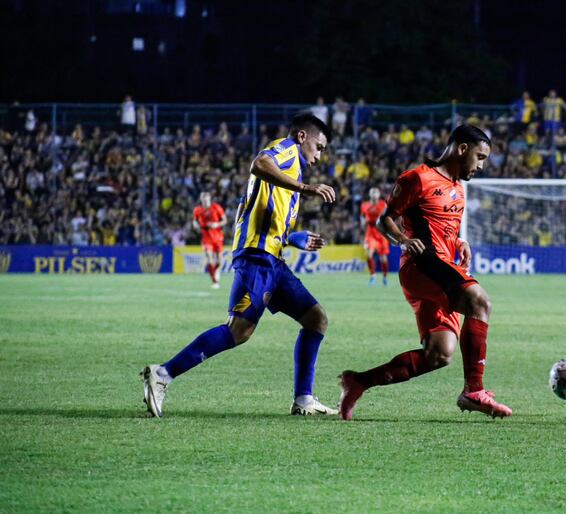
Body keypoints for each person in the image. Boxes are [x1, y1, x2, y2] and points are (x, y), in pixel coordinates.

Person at [141, 114, 339, 417]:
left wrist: (293, 237)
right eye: (319, 146)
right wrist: (306, 188)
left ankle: (304, 399)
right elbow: (259, 164)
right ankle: (162, 375)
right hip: (257, 258)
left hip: (273, 259)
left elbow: (269, 218)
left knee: (316, 319)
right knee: (238, 331)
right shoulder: (285, 150)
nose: (319, 155)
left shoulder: (292, 170)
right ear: (302, 137)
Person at [338, 124, 513, 420]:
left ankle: (358, 382)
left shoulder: (458, 187)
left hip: (443, 267)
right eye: (480, 157)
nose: (481, 165)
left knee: (440, 353)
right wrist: (404, 241)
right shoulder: (416, 179)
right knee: (480, 302)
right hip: (422, 265)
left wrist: (460, 241)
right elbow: (385, 221)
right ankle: (474, 390)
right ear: (462, 149)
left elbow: (442, 227)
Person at [192, 192, 227, 289]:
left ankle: (216, 270)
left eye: (207, 200)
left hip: (217, 237)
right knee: (209, 256)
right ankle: (215, 281)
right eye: (203, 200)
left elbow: (225, 220)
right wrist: (195, 224)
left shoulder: (216, 207)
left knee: (220, 261)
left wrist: (217, 224)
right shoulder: (197, 210)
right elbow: (195, 220)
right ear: (201, 200)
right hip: (206, 237)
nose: (205, 201)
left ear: (210, 199)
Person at [360, 187, 390, 285]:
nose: (374, 194)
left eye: (376, 192)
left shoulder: (383, 204)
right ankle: (373, 276)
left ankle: (385, 277)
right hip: (370, 232)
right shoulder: (364, 205)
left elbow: (386, 217)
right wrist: (363, 222)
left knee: (383, 258)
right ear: (370, 194)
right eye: (372, 192)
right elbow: (363, 216)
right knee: (368, 255)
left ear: (378, 194)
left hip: (381, 232)